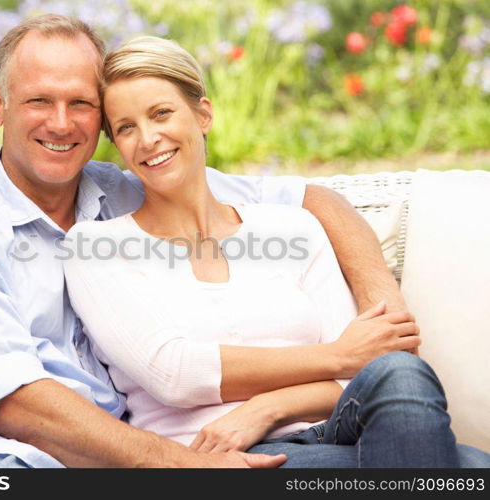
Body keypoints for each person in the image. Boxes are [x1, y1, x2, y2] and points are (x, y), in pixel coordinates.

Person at [0, 14, 421, 469]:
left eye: (80, 103)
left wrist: (383, 317)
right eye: (38, 101)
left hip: (110, 459)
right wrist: (181, 464)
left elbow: (312, 200)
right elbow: (15, 404)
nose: (61, 123)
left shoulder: (123, 190)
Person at [62, 35, 490, 467]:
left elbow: (365, 369)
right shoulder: (96, 247)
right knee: (469, 467)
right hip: (224, 460)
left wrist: (265, 409)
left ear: (202, 114)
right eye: (126, 128)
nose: (149, 138)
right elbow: (174, 374)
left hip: (337, 431)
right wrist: (336, 355)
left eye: (161, 113)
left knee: (400, 373)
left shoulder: (293, 228)